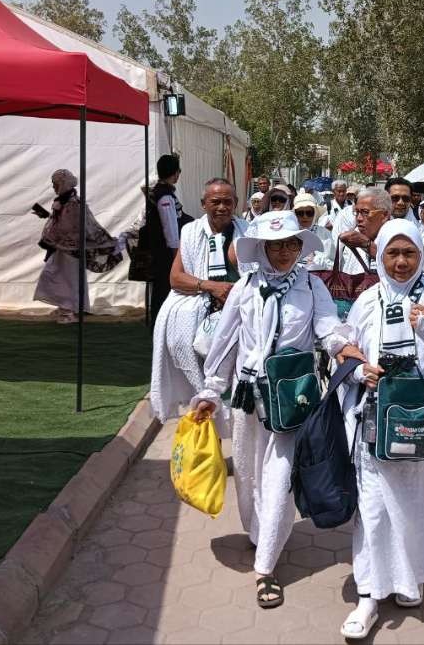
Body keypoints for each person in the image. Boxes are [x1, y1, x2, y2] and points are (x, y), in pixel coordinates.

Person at [190, 212, 366, 610]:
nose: (285, 252)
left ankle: (265, 567)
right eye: (277, 245)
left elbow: (328, 327)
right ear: (263, 249)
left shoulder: (311, 285)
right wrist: (211, 390)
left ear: (301, 247)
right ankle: (262, 532)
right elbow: (225, 343)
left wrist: (344, 348)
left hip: (293, 399)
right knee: (249, 475)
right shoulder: (246, 288)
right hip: (249, 397)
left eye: (292, 244)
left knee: (280, 476)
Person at [336, 219, 424, 639]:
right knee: (374, 508)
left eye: (409, 253)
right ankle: (368, 596)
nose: (400, 262)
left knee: (417, 502)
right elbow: (345, 350)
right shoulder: (366, 301)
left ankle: (409, 577)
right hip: (375, 422)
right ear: (380, 255)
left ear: (422, 256)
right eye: (392, 254)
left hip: (421, 423)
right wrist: (360, 370)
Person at [149, 179, 248, 423]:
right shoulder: (191, 231)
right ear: (204, 204)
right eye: (216, 202)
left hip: (239, 308)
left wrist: (236, 293)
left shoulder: (247, 232)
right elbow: (176, 278)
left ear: (236, 204)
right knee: (179, 335)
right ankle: (208, 416)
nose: (222, 207)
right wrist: (210, 286)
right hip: (202, 305)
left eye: (228, 202)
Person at [34, 169, 122, 323]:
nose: (53, 187)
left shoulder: (74, 203)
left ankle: (69, 311)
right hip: (62, 248)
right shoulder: (64, 201)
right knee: (54, 275)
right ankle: (65, 308)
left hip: (71, 250)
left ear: (63, 184)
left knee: (68, 279)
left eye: (55, 184)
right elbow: (62, 224)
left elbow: (75, 226)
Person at [143, 154, 185, 327]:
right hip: (165, 252)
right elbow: (170, 227)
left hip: (163, 250)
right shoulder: (164, 196)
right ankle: (160, 324)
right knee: (163, 288)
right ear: (174, 173)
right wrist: (176, 253)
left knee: (162, 288)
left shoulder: (161, 192)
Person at [337, 186, 390, 274]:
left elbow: (398, 266)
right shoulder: (352, 239)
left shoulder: (397, 238)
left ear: (384, 215)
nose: (359, 218)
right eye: (357, 212)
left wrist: (367, 245)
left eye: (365, 212)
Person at [293, 192, 335, 270]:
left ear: (315, 213)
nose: (305, 217)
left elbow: (332, 264)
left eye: (309, 213)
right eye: (300, 213)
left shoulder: (324, 234)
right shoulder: (290, 233)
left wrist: (315, 260)